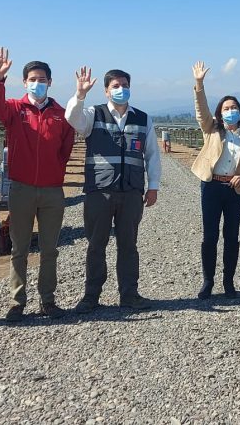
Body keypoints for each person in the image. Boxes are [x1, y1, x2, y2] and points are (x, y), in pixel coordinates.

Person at [0, 47, 75, 322]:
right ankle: (17, 301)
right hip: (22, 188)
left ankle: (48, 300)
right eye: (32, 79)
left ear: (50, 82)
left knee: (50, 249)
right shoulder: (14, 108)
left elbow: (65, 149)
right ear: (25, 82)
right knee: (19, 248)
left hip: (52, 191)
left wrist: (54, 174)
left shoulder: (61, 114)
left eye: (42, 79)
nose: (37, 83)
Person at [65, 66, 161, 312]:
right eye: (116, 86)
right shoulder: (91, 114)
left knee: (128, 245)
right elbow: (72, 118)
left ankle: (129, 294)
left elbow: (152, 155)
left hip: (131, 192)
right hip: (99, 190)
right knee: (96, 244)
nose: (121, 90)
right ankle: (91, 296)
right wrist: (80, 94)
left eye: (125, 85)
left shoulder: (143, 118)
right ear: (106, 91)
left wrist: (153, 187)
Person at [189, 62, 240, 299]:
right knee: (210, 235)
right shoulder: (212, 129)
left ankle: (229, 281)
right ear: (220, 113)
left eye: (234, 107)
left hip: (235, 190)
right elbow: (201, 110)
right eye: (226, 108)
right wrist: (199, 84)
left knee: (232, 236)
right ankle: (208, 282)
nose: (231, 111)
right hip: (211, 187)